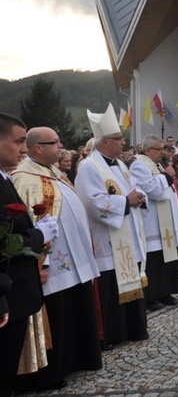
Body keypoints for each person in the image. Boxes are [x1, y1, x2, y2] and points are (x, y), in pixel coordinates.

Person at [12, 127, 102, 392]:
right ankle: (51, 371)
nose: (61, 146)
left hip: (74, 259)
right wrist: (41, 261)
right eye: (55, 143)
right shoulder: (24, 179)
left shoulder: (55, 173)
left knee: (74, 307)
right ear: (38, 147)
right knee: (58, 312)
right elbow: (30, 223)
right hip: (52, 264)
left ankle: (78, 358)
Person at [74, 104, 148, 352]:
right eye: (118, 139)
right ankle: (112, 333)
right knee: (109, 286)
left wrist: (140, 197)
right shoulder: (89, 167)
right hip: (107, 237)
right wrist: (125, 202)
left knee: (129, 279)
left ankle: (132, 328)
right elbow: (91, 202)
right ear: (104, 142)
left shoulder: (120, 164)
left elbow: (135, 187)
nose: (123, 143)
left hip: (127, 232)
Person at [0, 114, 59, 397]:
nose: (23, 149)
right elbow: (4, 241)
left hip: (18, 290)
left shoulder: (5, 177)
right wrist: (40, 235)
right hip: (8, 291)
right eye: (19, 141)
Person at [129, 134, 178, 312]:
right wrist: (167, 177)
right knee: (154, 261)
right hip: (152, 221)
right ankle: (151, 296)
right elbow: (153, 190)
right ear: (147, 150)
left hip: (164, 220)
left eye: (162, 149)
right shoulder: (139, 164)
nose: (162, 152)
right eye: (158, 149)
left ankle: (165, 292)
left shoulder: (157, 163)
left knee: (166, 258)